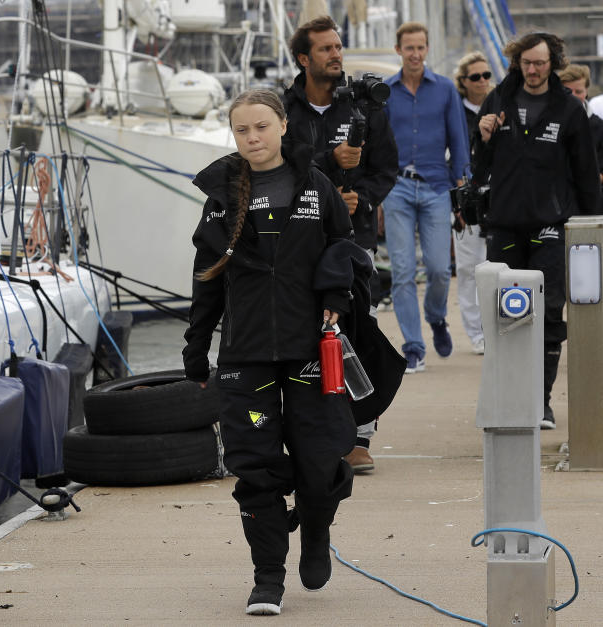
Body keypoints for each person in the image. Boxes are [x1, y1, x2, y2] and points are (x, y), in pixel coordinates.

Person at [182, 89, 356, 615]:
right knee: (255, 467)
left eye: (261, 126)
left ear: (283, 125)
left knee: (321, 461)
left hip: (310, 348)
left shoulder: (317, 186)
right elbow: (206, 281)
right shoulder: (222, 198)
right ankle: (267, 579)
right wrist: (196, 347)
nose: (252, 138)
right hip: (247, 353)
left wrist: (335, 297)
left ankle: (317, 529)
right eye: (241, 130)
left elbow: (344, 251)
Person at [283, 15, 399, 474]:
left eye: (338, 46)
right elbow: (280, 167)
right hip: (297, 239)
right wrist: (329, 161)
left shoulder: (365, 107)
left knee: (356, 330)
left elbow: (385, 168)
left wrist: (361, 199)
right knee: (302, 333)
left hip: (353, 240)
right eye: (326, 48)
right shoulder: (283, 111)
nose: (336, 54)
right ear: (303, 59)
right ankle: (306, 430)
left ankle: (358, 435)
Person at [474, 32, 602, 430]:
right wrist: (482, 138)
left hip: (551, 223)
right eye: (526, 62)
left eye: (540, 63)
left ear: (553, 63)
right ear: (518, 63)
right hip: (505, 222)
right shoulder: (498, 100)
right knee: (504, 314)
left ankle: (540, 402)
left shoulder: (569, 108)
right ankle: (508, 399)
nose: (533, 70)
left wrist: (591, 226)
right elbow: (479, 166)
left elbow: (586, 174)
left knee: (547, 313)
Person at [384, 22, 470, 373]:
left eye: (420, 47)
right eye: (409, 48)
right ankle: (413, 347)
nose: (415, 54)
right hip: (397, 188)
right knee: (402, 271)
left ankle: (436, 317)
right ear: (399, 50)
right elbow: (378, 145)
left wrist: (463, 185)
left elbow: (459, 139)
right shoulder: (386, 92)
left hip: (436, 185)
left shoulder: (446, 89)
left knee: (438, 268)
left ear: (427, 49)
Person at [452, 51, 493, 355]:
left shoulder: (499, 108)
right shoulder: (456, 112)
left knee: (497, 264)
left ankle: (496, 326)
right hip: (465, 196)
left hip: (498, 193)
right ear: (463, 82)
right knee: (469, 267)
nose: (482, 81)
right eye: (475, 76)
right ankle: (477, 333)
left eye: (486, 75)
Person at [556, 63, 603, 211]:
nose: (574, 96)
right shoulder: (547, 123)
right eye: (568, 91)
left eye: (579, 91)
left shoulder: (599, 126)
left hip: (591, 203)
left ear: (586, 92)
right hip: (556, 202)